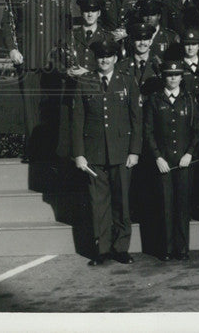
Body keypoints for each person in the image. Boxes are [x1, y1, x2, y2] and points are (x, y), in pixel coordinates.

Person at [71, 39, 142, 265]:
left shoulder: (127, 80)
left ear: (115, 58)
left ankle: (121, 248)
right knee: (98, 203)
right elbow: (78, 119)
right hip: (94, 154)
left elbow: (136, 119)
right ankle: (102, 250)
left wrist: (135, 151)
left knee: (122, 202)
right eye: (101, 56)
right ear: (96, 58)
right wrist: (79, 154)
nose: (104, 60)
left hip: (122, 152)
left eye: (109, 56)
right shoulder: (86, 81)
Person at [1, 0, 72, 163]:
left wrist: (66, 55)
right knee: (31, 109)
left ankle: (52, 152)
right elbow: (7, 24)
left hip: (54, 62)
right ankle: (34, 153)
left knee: (52, 108)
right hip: (28, 60)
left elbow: (67, 27)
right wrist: (13, 49)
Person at [143, 59, 199, 261]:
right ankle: (167, 249)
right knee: (165, 206)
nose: (173, 78)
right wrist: (157, 156)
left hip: (184, 162)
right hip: (164, 162)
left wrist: (189, 153)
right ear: (163, 77)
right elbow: (148, 132)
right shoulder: (154, 100)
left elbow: (197, 130)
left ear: (181, 76)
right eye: (169, 75)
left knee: (182, 206)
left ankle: (182, 248)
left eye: (176, 75)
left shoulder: (189, 99)